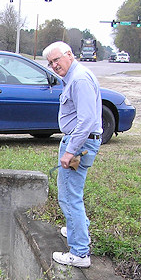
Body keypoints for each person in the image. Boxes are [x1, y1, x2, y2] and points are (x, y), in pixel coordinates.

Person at [43, 41, 102, 268]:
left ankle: (79, 252)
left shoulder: (79, 79)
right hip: (79, 142)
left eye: (56, 60)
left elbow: (86, 120)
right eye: (50, 63)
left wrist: (70, 151)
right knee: (69, 191)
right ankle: (77, 228)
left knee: (69, 196)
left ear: (69, 54)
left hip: (79, 144)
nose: (54, 66)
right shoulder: (75, 77)